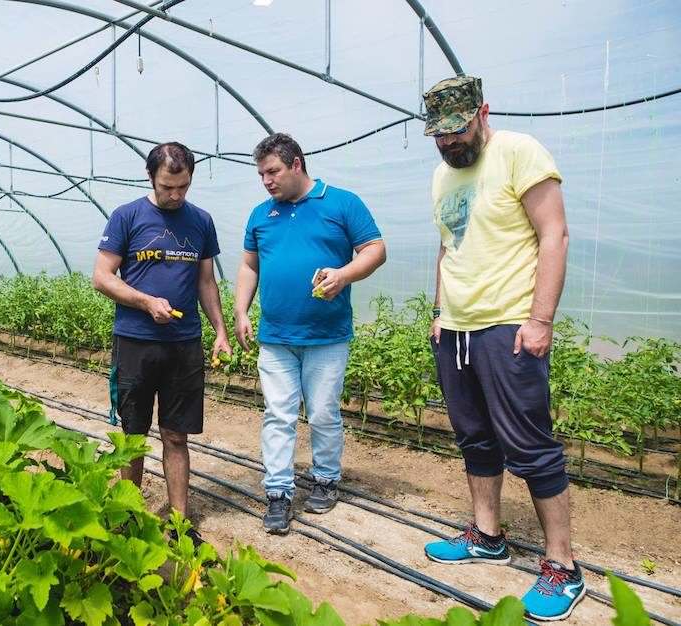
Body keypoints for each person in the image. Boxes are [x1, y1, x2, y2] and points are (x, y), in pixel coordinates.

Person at [420, 76, 583, 622]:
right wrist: (441, 312)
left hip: (510, 325)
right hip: (459, 330)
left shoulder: (520, 153)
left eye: (457, 130)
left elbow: (553, 234)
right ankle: (487, 534)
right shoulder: (443, 177)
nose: (449, 143)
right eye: (438, 135)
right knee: (474, 438)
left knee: (529, 445)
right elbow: (449, 248)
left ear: (482, 112)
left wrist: (541, 320)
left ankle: (562, 564)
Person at [234, 133, 386, 535]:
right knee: (278, 414)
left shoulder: (341, 203)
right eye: (262, 174)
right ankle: (278, 493)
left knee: (322, 413)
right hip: (276, 336)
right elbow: (250, 266)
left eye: (273, 172)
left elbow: (374, 249)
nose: (267, 181)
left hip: (327, 335)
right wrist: (241, 311)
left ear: (297, 164)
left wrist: (343, 274)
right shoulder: (260, 215)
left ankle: (325, 478)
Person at [93, 141, 231, 539]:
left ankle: (179, 522)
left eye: (183, 187)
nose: (175, 195)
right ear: (151, 177)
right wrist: (144, 302)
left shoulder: (201, 221)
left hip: (184, 344)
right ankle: (128, 515)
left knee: (176, 433)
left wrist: (219, 331)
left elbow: (206, 281)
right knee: (133, 433)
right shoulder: (126, 217)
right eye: (168, 187)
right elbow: (102, 277)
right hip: (135, 341)